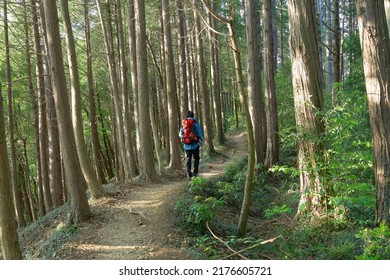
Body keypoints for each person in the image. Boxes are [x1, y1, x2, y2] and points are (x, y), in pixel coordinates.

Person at [179, 111, 203, 179]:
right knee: (196, 158)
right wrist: (201, 140)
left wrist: (185, 138)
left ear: (186, 116)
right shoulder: (195, 124)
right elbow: (199, 134)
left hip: (186, 146)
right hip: (195, 145)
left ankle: (189, 174)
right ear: (193, 116)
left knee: (188, 160)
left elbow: (180, 135)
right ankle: (195, 173)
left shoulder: (183, 124)